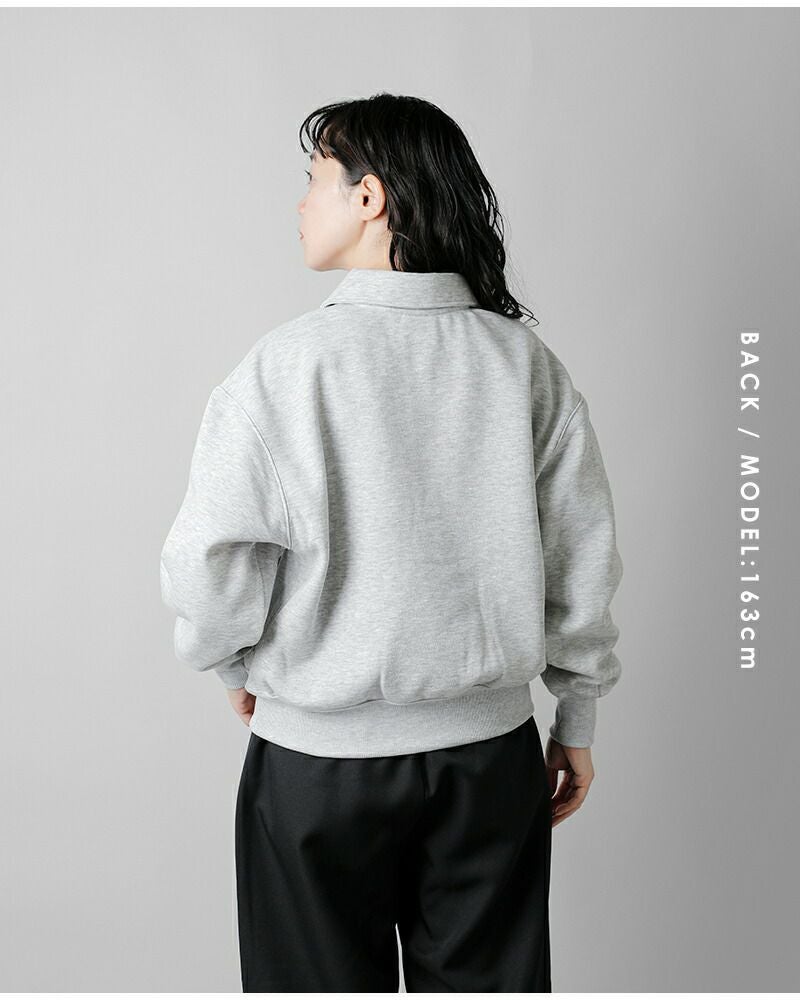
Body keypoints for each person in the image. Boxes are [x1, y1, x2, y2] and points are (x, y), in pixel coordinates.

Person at [159, 92, 623, 993]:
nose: (300, 204)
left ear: (369, 197)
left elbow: (210, 564)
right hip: (489, 764)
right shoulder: (523, 364)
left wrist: (231, 665)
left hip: (317, 771)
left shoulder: (283, 367)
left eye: (314, 179)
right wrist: (577, 716)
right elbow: (582, 556)